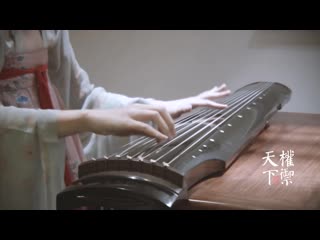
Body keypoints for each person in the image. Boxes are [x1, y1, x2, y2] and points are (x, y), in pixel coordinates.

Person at [0, 30, 231, 210]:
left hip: (56, 150)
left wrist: (152, 107)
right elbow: (87, 114)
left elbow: (82, 96)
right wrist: (86, 119)